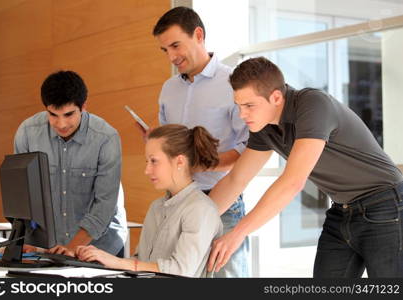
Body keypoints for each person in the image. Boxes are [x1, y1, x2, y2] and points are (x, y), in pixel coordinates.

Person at [207, 56, 403, 278]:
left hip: (386, 204)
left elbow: (292, 182)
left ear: (276, 97)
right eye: (239, 106)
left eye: (249, 105)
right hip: (342, 209)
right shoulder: (263, 127)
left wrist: (237, 233)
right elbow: (236, 179)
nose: (242, 115)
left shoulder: (313, 105)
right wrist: (198, 224)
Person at [150, 6, 250, 277]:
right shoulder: (168, 89)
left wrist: (206, 165)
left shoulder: (233, 82)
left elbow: (248, 149)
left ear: (198, 35)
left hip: (223, 205)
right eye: (165, 50)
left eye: (175, 45)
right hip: (176, 202)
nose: (171, 57)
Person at [76, 124, 223, 277]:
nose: (147, 170)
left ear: (180, 161)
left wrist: (117, 262)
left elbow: (181, 271)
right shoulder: (156, 207)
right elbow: (141, 261)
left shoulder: (201, 209)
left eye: (154, 161)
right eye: (147, 161)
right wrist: (100, 263)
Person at [14, 70, 127, 257]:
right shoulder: (27, 133)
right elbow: (24, 196)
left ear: (83, 106)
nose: (61, 124)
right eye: (53, 115)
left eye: (68, 114)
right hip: (50, 248)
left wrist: (72, 248)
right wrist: (27, 239)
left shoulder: (106, 138)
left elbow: (104, 204)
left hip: (100, 246)